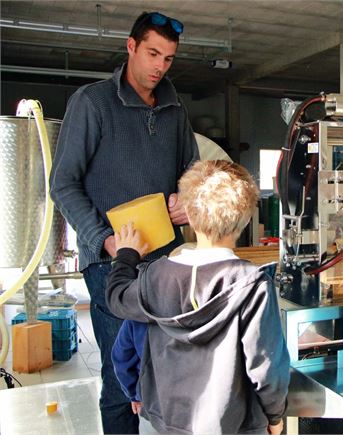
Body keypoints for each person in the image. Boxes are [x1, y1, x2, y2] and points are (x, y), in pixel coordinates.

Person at [49, 11, 199, 433]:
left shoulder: (174, 108)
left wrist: (188, 198)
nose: (159, 66)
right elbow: (62, 183)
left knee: (175, 371)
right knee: (121, 380)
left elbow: (192, 170)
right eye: (152, 53)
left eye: (168, 58)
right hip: (113, 265)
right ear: (130, 47)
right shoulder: (92, 102)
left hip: (167, 263)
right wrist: (105, 241)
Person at [105, 160, 290, 434]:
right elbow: (265, 364)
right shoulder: (253, 284)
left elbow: (116, 298)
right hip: (234, 425)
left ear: (188, 214)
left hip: (170, 420)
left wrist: (127, 255)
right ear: (247, 217)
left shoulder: (155, 276)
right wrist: (275, 416)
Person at [111, 320, 150, 431]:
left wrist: (134, 394)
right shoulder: (200, 311)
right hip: (197, 395)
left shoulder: (136, 316)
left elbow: (121, 361)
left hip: (154, 396)